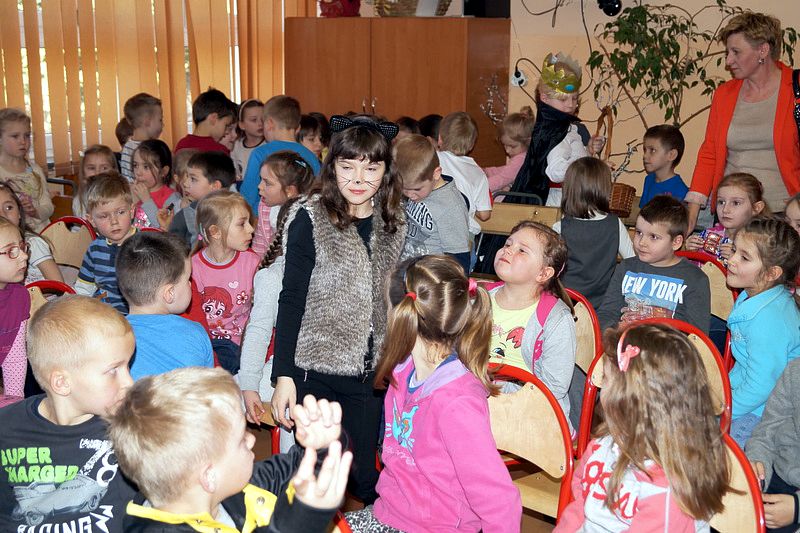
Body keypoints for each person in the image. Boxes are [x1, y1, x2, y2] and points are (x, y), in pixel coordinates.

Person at [270, 115, 406, 504]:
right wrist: (284, 376)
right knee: (317, 470)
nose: (359, 178)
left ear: (385, 171)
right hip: (316, 369)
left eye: (371, 168)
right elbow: (291, 299)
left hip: (369, 373)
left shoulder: (393, 222)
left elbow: (397, 299)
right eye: (348, 167)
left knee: (362, 475)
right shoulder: (310, 217)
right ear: (333, 167)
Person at [345, 255, 522, 532]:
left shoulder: (457, 402)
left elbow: (499, 500)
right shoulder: (403, 373)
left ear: (401, 314)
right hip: (389, 514)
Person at [107, 367, 352, 532]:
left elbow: (292, 469)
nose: (252, 440)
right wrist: (303, 519)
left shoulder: (231, 487)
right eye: (241, 439)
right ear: (209, 476)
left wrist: (322, 444)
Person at [555, 323, 730, 531]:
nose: (602, 387)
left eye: (606, 379)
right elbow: (578, 507)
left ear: (627, 399)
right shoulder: (602, 446)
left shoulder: (667, 495)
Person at [0, 295, 136, 531]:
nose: (129, 382)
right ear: (62, 383)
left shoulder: (131, 427)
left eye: (127, 366)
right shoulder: (7, 429)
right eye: (113, 370)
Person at [687, 12, 800, 232]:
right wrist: (692, 212)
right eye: (727, 52)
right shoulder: (724, 94)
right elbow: (709, 153)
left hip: (784, 216)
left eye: (736, 52)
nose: (728, 61)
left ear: (763, 50)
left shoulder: (796, 89)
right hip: (732, 214)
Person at [238, 152, 316, 432]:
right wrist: (248, 384)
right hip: (284, 376)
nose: (260, 187)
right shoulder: (272, 277)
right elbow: (259, 331)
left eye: (267, 182)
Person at [488, 220, 577, 431]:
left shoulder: (556, 320)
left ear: (543, 274)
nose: (508, 250)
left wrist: (497, 390)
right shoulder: (478, 298)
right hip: (479, 397)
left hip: (531, 410)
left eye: (522, 250)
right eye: (508, 244)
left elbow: (554, 387)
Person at [725, 216, 800, 447]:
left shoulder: (768, 319)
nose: (731, 260)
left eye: (744, 257)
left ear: (771, 273)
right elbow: (747, 365)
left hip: (767, 411)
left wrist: (724, 408)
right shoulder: (752, 296)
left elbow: (762, 385)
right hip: (750, 397)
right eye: (734, 250)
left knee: (722, 451)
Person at [597, 195, 710, 332]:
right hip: (624, 340)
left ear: (676, 242)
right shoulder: (626, 268)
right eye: (639, 232)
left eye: (653, 237)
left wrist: (657, 322)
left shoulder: (695, 279)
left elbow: (697, 335)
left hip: (668, 345)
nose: (642, 242)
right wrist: (616, 329)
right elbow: (606, 313)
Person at [506, 53, 604, 208]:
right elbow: (556, 172)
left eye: (574, 98)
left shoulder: (565, 127)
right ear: (545, 98)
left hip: (567, 200)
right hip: (555, 205)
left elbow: (568, 157)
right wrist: (587, 166)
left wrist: (588, 150)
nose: (571, 104)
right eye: (563, 99)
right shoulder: (554, 132)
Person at [117, 231, 213, 380]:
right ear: (169, 293)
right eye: (188, 279)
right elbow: (210, 387)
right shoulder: (195, 333)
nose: (190, 284)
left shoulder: (111, 337)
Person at [192, 189, 259, 374]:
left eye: (249, 222)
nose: (251, 229)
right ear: (215, 232)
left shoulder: (252, 262)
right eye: (242, 224)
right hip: (206, 343)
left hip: (240, 344)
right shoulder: (193, 267)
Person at [554, 157, 634, 310]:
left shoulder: (560, 227)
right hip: (602, 307)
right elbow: (632, 262)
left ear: (569, 189)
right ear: (604, 188)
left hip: (565, 304)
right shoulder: (614, 224)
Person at [395, 134, 470, 272]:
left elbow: (459, 258)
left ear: (436, 174)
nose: (410, 195)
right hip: (407, 270)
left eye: (416, 189)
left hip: (432, 277)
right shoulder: (418, 189)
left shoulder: (451, 207)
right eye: (404, 189)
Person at [239, 95, 321, 213]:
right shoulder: (311, 156)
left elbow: (247, 196)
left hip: (264, 219)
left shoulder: (260, 153)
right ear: (298, 128)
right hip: (300, 217)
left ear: (269, 124)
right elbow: (317, 194)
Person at [746, 359, 800, 532]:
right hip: (778, 474)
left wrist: (797, 508)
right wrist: (757, 466)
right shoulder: (795, 370)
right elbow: (766, 432)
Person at [74, 172, 138, 313]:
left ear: (132, 211)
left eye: (120, 212)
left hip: (139, 316)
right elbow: (84, 288)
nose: (114, 221)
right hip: (105, 314)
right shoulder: (94, 249)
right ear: (92, 220)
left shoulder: (145, 244)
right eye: (104, 216)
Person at [686, 173, 769, 264]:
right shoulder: (707, 234)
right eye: (721, 202)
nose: (725, 209)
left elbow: (761, 271)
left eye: (736, 203)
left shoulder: (761, 244)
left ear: (756, 208)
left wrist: (738, 258)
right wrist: (690, 251)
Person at [436, 111, 492, 244]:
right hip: (464, 235)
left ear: (440, 138)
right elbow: (485, 214)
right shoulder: (478, 173)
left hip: (436, 230)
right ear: (472, 145)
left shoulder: (433, 159)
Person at [251, 151, 316, 256]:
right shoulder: (264, 206)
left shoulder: (305, 217)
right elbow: (259, 246)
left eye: (267, 183)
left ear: (289, 191)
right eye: (261, 179)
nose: (259, 186)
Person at [0, 108, 53, 232]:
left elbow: (48, 206)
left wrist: (35, 212)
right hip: (10, 235)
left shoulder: (35, 171)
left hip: (41, 234)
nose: (23, 141)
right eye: (15, 136)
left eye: (27, 135)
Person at [169, 150, 235, 247]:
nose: (186, 184)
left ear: (215, 186)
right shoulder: (185, 214)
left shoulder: (237, 212)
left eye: (193, 179)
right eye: (187, 177)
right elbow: (174, 247)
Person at [0, 183, 63, 284]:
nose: (2, 215)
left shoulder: (33, 243)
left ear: (19, 212)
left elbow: (58, 284)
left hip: (43, 293)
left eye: (9, 208)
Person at [0, 215, 29, 402]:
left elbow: (14, 358)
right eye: (11, 251)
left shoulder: (19, 297)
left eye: (22, 247)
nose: (24, 256)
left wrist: (15, 404)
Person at [484, 107, 535, 201]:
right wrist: (488, 171)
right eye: (505, 145)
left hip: (510, 201)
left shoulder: (520, 159)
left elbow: (503, 178)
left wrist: (479, 187)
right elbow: (507, 170)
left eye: (512, 146)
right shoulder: (523, 156)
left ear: (527, 142)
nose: (507, 151)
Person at [131, 139, 181, 229]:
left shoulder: (173, 198)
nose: (138, 172)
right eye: (135, 165)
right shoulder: (132, 192)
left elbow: (163, 227)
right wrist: (131, 202)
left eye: (146, 167)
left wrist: (147, 200)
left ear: (164, 171)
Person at [174, 87, 237, 155]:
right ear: (213, 119)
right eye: (226, 125)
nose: (226, 131)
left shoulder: (182, 144)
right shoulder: (219, 150)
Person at [638, 124, 688, 207]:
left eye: (652, 150)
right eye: (645, 150)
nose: (645, 156)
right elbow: (642, 211)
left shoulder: (680, 191)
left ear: (671, 155)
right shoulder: (649, 180)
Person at [119, 93, 163, 182]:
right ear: (147, 121)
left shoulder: (127, 147)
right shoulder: (150, 149)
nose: (163, 124)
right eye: (160, 120)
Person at [73, 144, 118, 219]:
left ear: (114, 171)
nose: (97, 173)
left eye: (104, 168)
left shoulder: (120, 196)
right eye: (92, 168)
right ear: (83, 173)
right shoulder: (78, 201)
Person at [231, 98, 265, 182]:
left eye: (263, 119)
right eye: (254, 120)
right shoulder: (236, 145)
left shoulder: (269, 145)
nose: (260, 124)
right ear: (242, 125)